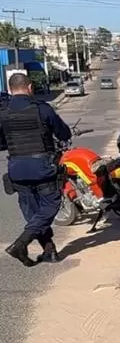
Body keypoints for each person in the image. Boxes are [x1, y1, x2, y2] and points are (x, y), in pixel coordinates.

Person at [0, 73, 73, 266]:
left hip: (17, 169)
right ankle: (21, 243)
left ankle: (49, 251)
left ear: (10, 89)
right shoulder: (42, 109)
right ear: (30, 87)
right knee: (50, 205)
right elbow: (64, 133)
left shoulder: (3, 112)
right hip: (43, 168)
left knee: (32, 212)